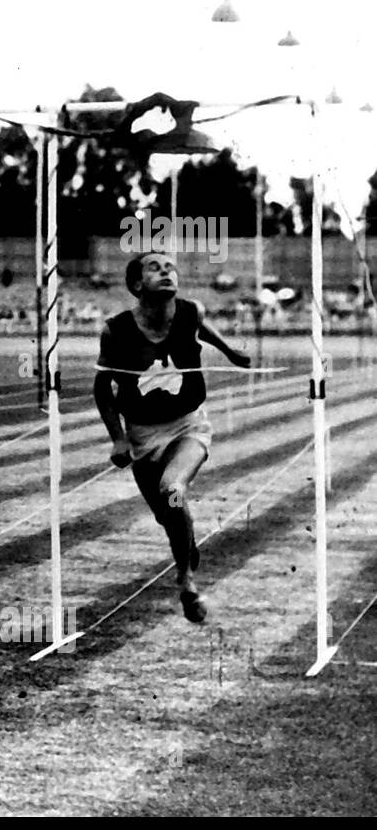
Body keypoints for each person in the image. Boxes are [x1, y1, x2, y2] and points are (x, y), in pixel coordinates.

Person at [94, 252, 251, 623]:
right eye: (154, 268)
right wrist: (117, 439)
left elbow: (202, 328)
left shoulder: (190, 311)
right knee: (169, 517)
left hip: (188, 426)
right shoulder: (115, 330)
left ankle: (186, 579)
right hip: (142, 435)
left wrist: (229, 351)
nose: (166, 271)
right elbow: (103, 388)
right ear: (136, 286)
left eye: (170, 267)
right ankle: (185, 544)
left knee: (173, 489)